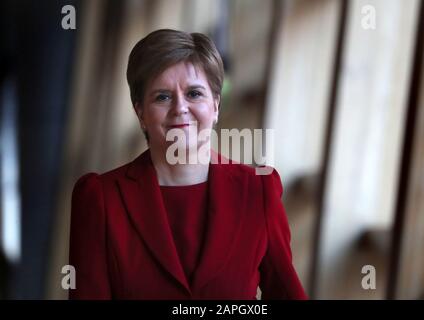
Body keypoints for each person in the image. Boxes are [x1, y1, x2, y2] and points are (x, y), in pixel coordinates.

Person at [69, 29, 307, 300]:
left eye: (194, 94)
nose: (180, 108)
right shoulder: (100, 198)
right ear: (140, 113)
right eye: (162, 97)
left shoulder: (257, 190)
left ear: (216, 105)